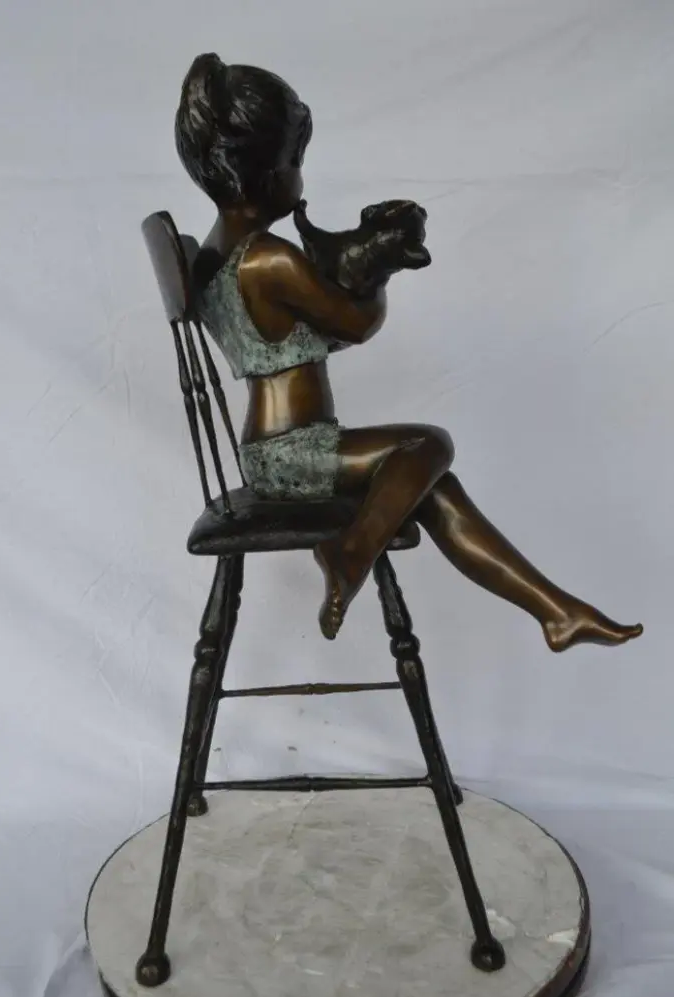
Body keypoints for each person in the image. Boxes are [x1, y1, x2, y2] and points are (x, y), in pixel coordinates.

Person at [176, 53, 643, 649]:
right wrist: (383, 268)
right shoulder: (269, 258)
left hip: (274, 449)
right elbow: (356, 325)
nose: (300, 176)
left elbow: (303, 335)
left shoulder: (217, 253)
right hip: (293, 452)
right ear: (265, 170)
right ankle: (351, 551)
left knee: (431, 485)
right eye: (296, 160)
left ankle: (557, 612)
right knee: (429, 445)